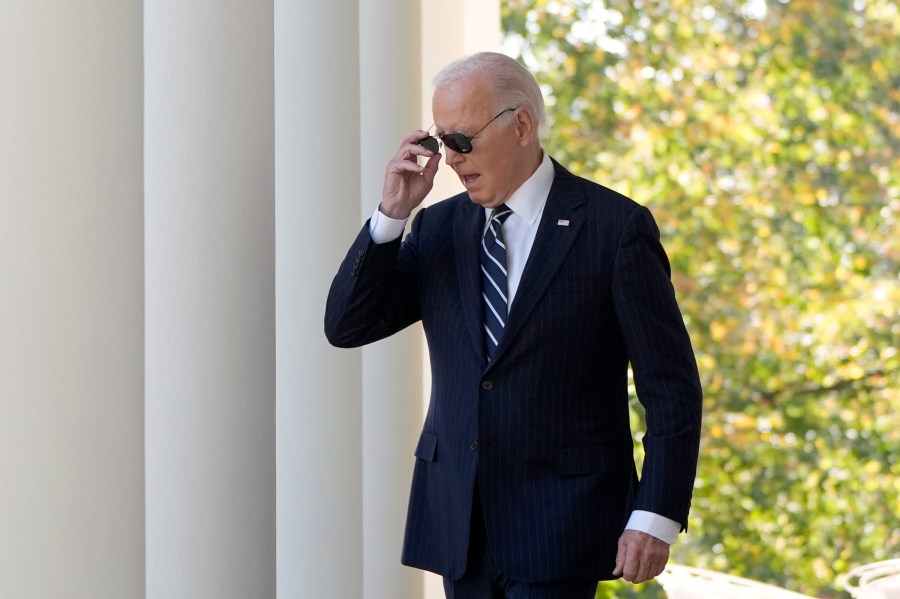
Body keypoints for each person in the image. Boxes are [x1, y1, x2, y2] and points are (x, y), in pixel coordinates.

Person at [325, 51, 702, 599]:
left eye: (462, 140)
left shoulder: (614, 229)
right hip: (460, 519)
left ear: (521, 124)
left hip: (564, 522)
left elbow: (670, 387)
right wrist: (391, 216)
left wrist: (655, 515)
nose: (450, 160)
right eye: (440, 141)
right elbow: (348, 324)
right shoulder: (437, 229)